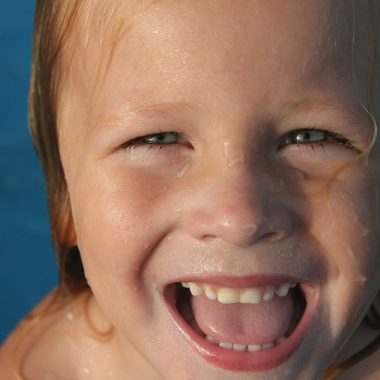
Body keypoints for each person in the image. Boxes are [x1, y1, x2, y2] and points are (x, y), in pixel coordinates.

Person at [1, 1, 380, 379]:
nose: (239, 218)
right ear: (66, 198)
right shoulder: (45, 365)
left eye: (309, 136)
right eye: (158, 139)